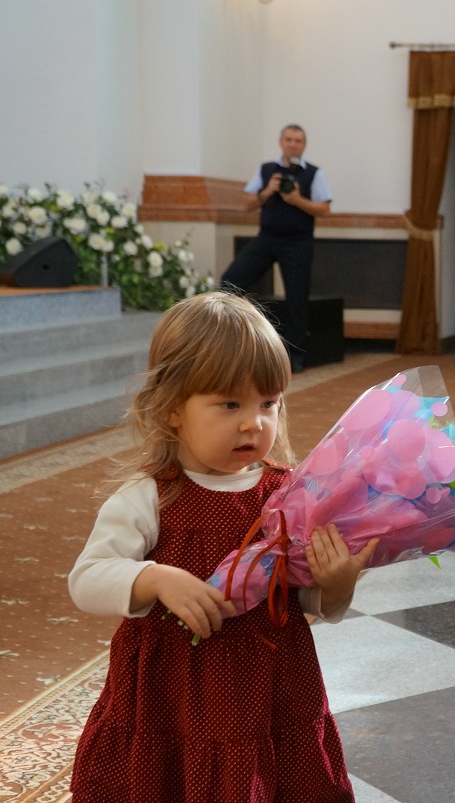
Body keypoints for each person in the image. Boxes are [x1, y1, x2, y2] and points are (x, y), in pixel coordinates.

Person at [68, 292, 374, 802]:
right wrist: (153, 577)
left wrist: (336, 583)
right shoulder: (151, 496)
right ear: (171, 408)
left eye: (268, 403)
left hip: (270, 690)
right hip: (170, 700)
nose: (254, 422)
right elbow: (86, 579)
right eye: (230, 404)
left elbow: (303, 595)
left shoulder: (289, 495)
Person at [222, 124, 333, 374]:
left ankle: (295, 356)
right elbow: (247, 204)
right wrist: (267, 191)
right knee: (231, 281)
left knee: (297, 299)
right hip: (267, 239)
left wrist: (297, 200)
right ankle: (233, 343)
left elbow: (325, 209)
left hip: (298, 242)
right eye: (289, 139)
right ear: (281, 142)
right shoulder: (267, 170)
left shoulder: (314, 173)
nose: (293, 144)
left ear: (303, 145)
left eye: (298, 141)